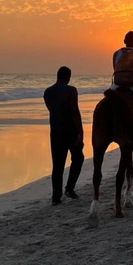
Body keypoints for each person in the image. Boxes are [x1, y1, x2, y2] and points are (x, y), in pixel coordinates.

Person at [43, 66, 85, 205]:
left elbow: (53, 111)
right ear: (68, 76)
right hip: (70, 130)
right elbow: (75, 112)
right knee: (78, 158)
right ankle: (69, 188)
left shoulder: (47, 92)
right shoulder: (71, 90)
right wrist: (80, 132)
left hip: (55, 131)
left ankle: (56, 198)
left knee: (58, 165)